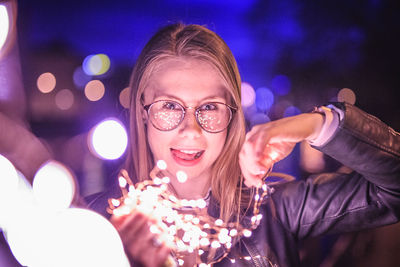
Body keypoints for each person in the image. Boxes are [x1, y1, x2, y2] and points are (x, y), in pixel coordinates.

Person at [86, 23, 400, 267]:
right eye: (169, 106)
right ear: (142, 109)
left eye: (209, 108)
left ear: (233, 115)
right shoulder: (90, 224)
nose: (190, 130)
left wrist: (315, 124)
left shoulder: (274, 212)